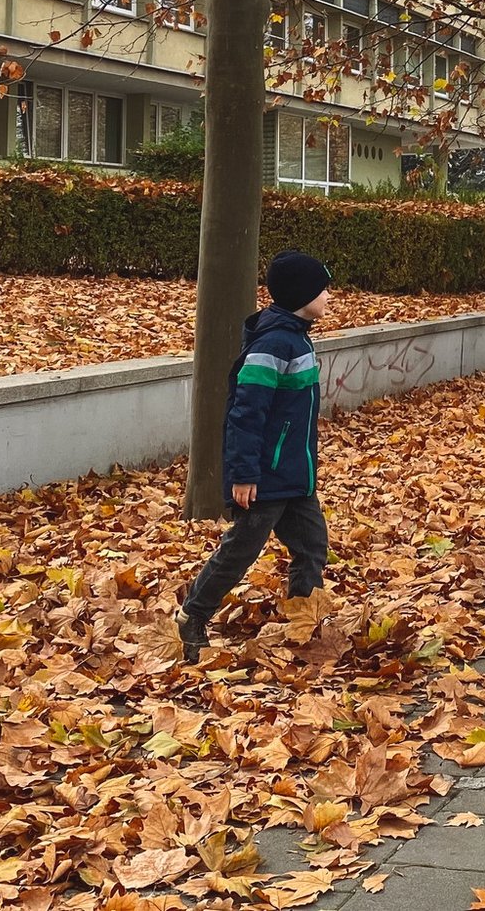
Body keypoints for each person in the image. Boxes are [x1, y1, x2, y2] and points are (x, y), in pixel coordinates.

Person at [177, 250, 335, 662]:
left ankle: (303, 619)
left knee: (312, 544)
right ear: (303, 295)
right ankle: (193, 615)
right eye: (322, 289)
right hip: (265, 478)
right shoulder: (274, 344)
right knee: (240, 551)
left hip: (295, 478)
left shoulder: (298, 336)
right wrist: (244, 474)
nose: (328, 296)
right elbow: (245, 416)